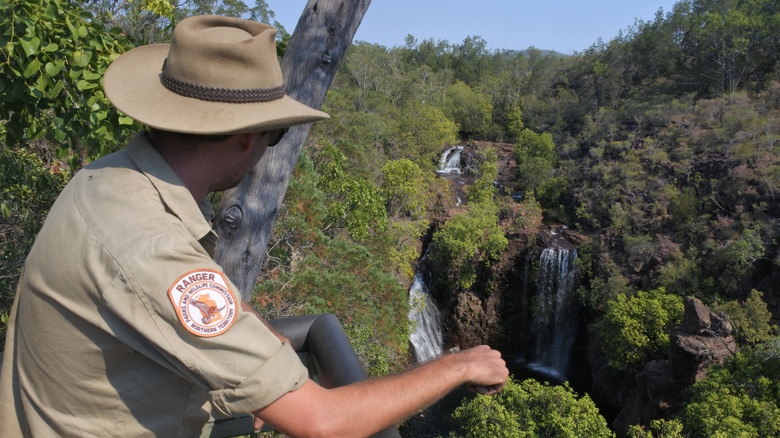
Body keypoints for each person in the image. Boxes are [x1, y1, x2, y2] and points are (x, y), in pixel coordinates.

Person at [0, 15, 508, 437]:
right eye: (275, 133)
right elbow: (322, 421)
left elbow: (168, 306)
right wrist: (457, 365)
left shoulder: (107, 178)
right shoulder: (151, 247)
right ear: (245, 139)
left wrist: (256, 353)